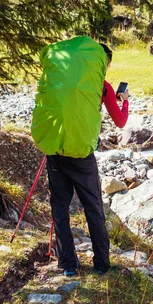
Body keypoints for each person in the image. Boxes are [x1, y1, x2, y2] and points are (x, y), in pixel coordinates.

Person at [46, 43, 128, 276]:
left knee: (60, 209)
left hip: (56, 151)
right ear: (103, 63)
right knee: (93, 209)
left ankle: (67, 265)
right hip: (82, 156)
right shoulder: (102, 88)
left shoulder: (61, 82)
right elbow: (120, 121)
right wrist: (125, 101)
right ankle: (101, 265)